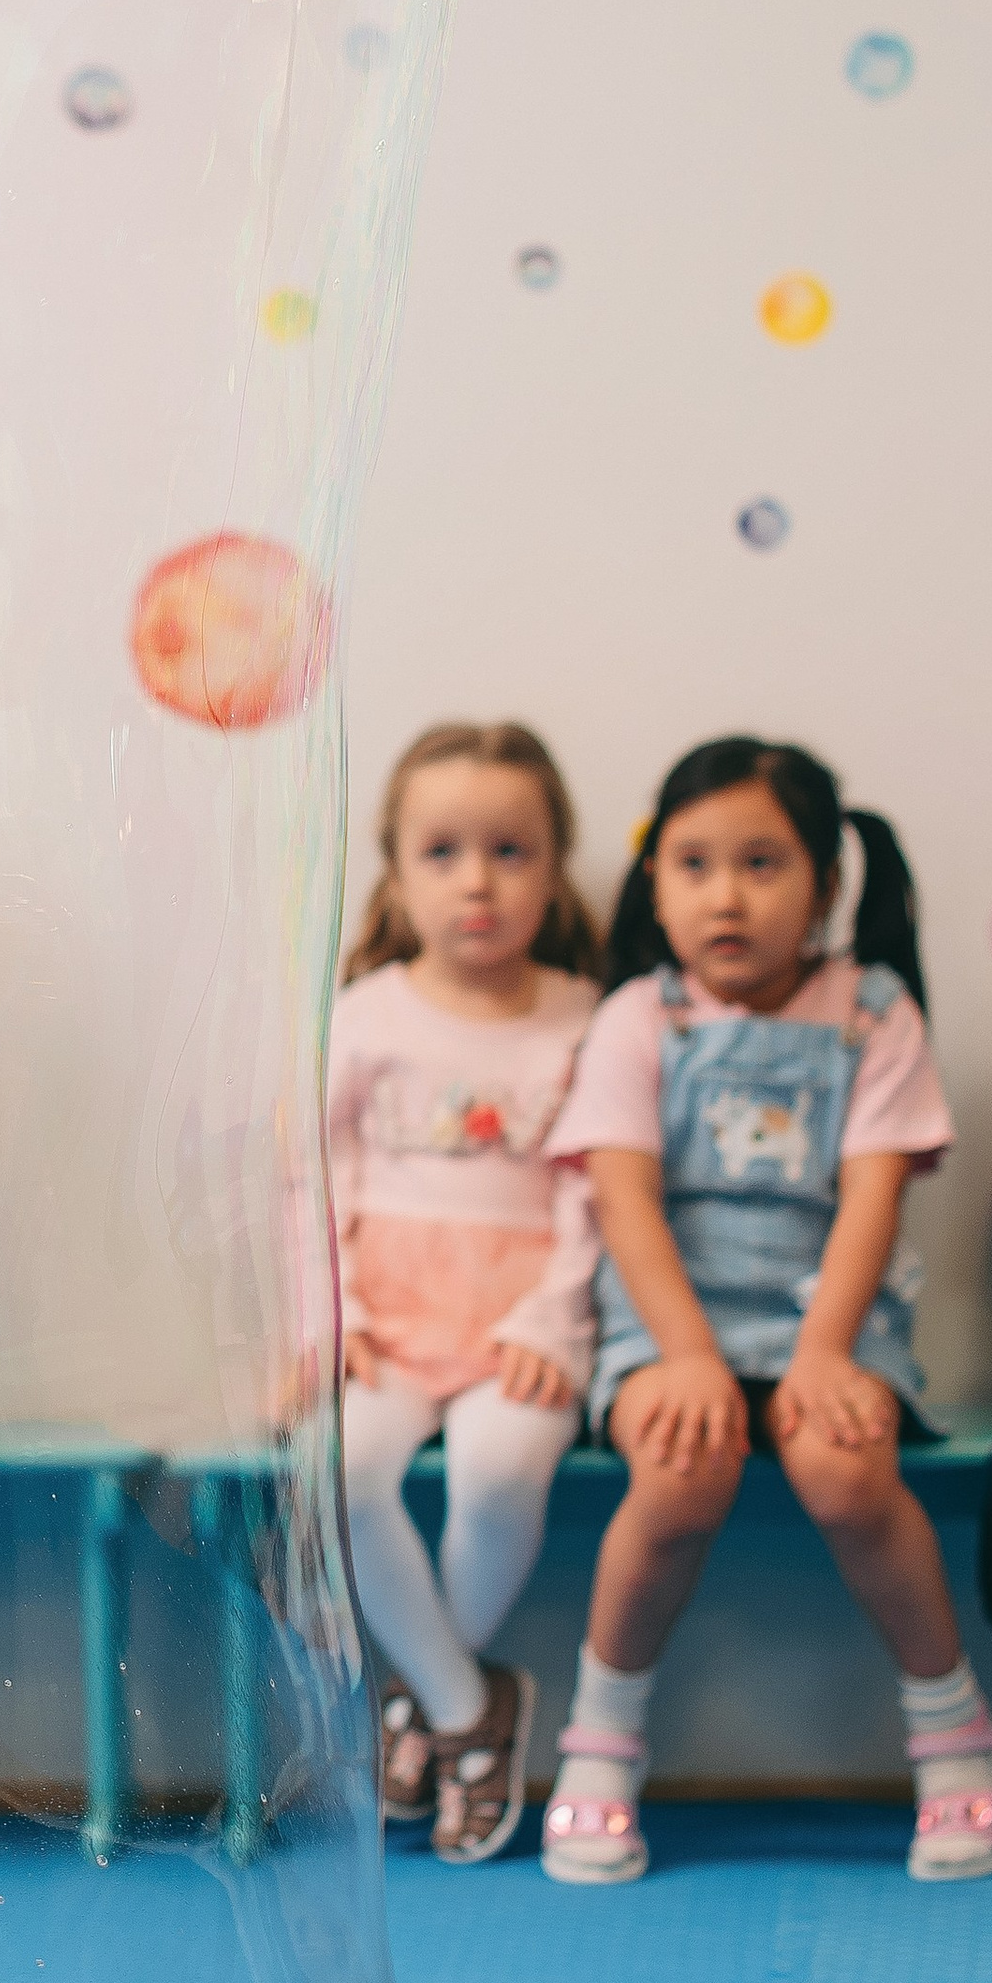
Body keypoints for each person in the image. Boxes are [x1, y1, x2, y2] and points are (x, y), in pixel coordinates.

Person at [541, 737, 992, 1889]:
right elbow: (626, 1202)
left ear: (826, 886)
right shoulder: (643, 1015)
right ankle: (600, 1742)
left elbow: (871, 1198)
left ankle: (950, 1733)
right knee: (680, 1470)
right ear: (655, 883)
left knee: (847, 1469)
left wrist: (825, 1351)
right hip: (665, 1321)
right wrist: (686, 1355)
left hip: (827, 1315)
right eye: (692, 863)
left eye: (760, 862)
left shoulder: (872, 1015)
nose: (725, 893)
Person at [331, 724, 602, 1863]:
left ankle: (420, 1703)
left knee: (497, 1470)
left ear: (554, 865)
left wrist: (550, 1320)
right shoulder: (365, 1009)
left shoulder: (591, 1016)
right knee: (343, 1468)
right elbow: (313, 1174)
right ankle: (462, 1710)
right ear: (395, 869)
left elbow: (601, 1194)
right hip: (384, 1312)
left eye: (510, 850)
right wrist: (330, 1313)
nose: (477, 880)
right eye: (442, 851)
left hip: (524, 1315)